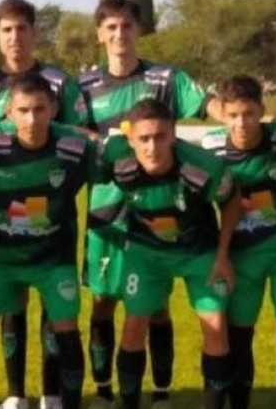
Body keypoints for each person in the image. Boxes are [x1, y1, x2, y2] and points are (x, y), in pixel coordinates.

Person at [81, 0, 216, 409]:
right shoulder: (85, 86)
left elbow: (208, 105)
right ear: (100, 34)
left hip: (158, 205)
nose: (120, 34)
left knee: (155, 305)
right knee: (103, 301)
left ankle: (159, 393)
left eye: (127, 25)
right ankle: (104, 391)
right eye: (111, 27)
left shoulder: (164, 78)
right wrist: (109, 144)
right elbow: (70, 130)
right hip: (107, 209)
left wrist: (240, 117)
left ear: (138, 29)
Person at [0, 73, 96, 409]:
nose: (32, 119)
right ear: (8, 113)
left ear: (53, 109)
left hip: (53, 261)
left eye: (40, 109)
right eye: (23, 110)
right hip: (0, 260)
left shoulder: (74, 144)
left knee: (67, 332)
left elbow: (121, 154)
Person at [0, 0, 88, 409]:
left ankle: (53, 395)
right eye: (7, 30)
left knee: (56, 314)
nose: (15, 37)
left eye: (22, 29)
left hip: (54, 220)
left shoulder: (60, 82)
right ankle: (16, 394)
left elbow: (81, 138)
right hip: (4, 216)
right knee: (10, 308)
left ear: (35, 33)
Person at [96, 100, 241, 409]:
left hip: (199, 253)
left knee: (215, 327)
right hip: (146, 254)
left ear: (174, 135)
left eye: (160, 136)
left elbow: (231, 200)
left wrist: (222, 255)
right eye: (144, 138)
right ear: (130, 138)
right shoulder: (116, 158)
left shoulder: (204, 168)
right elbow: (83, 154)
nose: (152, 147)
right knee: (134, 325)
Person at [201, 76, 276, 408]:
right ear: (222, 114)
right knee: (239, 339)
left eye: (249, 113)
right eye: (233, 115)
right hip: (240, 257)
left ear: (262, 111)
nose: (241, 123)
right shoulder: (210, 148)